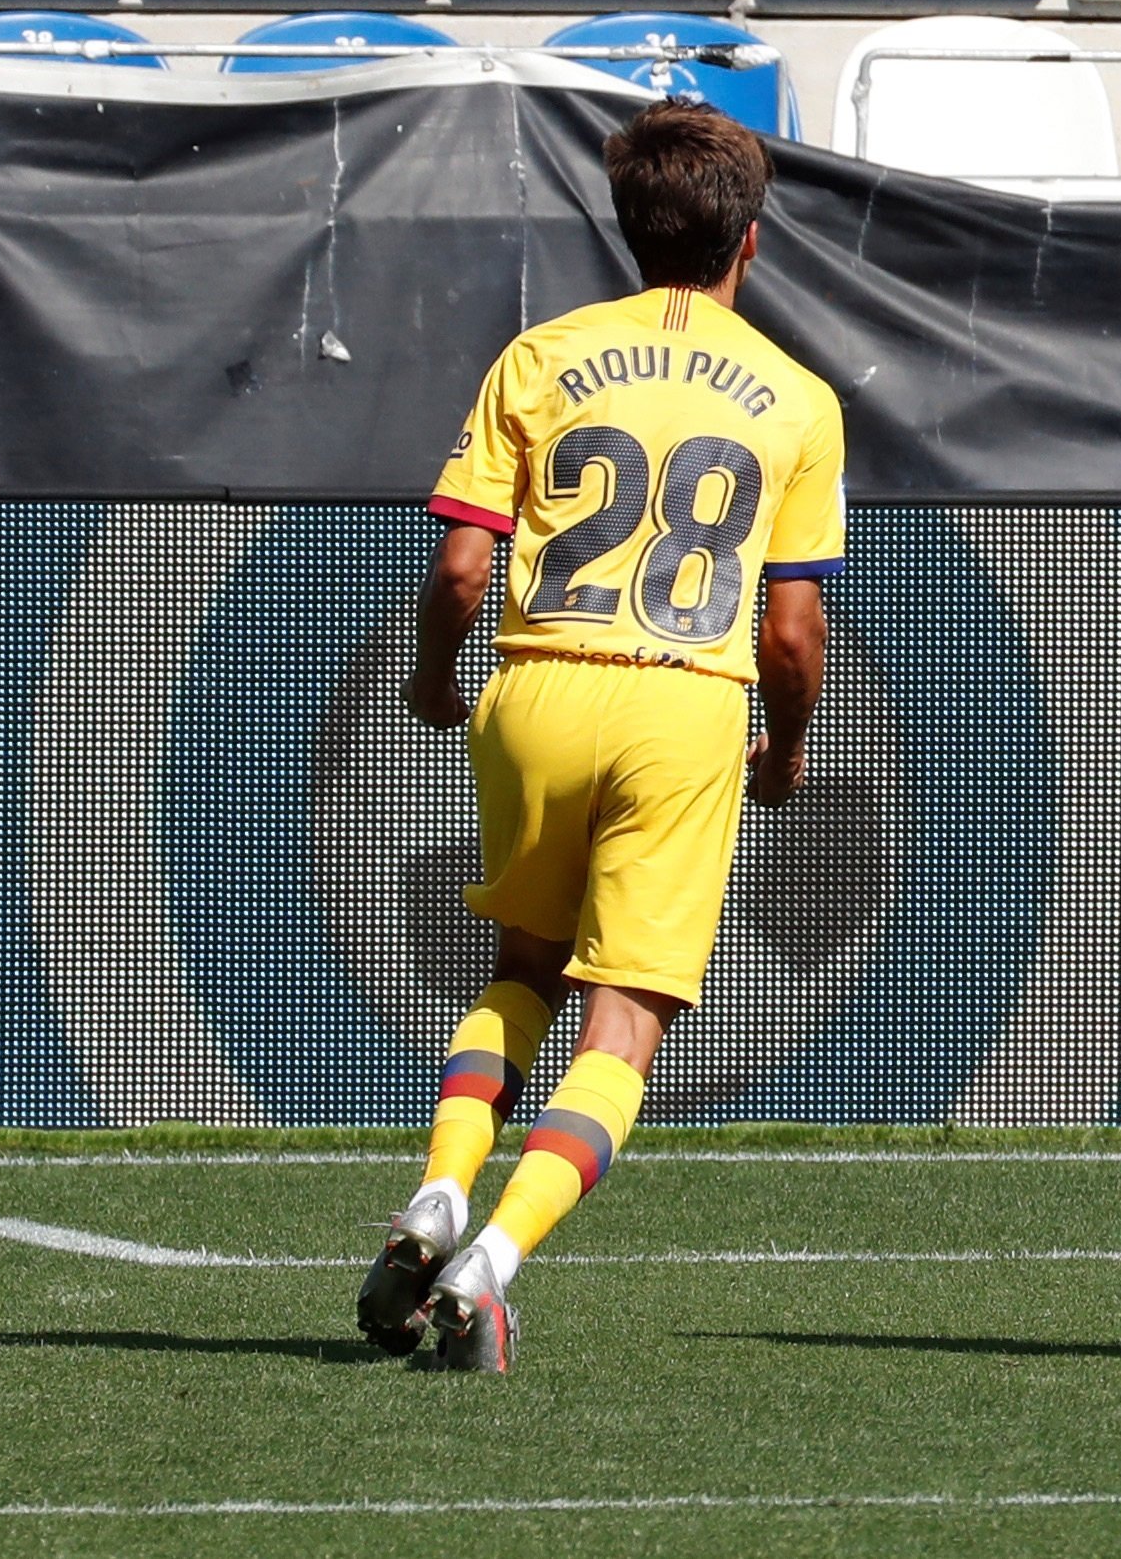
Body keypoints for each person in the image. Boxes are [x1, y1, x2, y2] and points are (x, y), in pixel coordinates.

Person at [356, 99, 845, 1370]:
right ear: (752, 237)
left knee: (519, 968)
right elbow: (793, 633)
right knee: (621, 1023)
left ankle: (439, 1187)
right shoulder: (797, 396)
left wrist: (428, 677)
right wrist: (785, 752)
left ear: (629, 229)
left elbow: (465, 565)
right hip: (682, 705)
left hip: (535, 689)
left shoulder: (543, 354)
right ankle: (492, 1261)